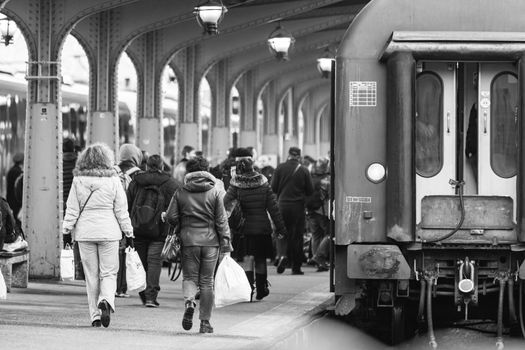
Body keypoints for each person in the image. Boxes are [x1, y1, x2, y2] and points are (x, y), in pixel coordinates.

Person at [62, 143, 134, 328]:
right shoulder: (113, 180)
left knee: (91, 275)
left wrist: (66, 231)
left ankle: (94, 316)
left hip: (85, 233)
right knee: (109, 272)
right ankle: (106, 300)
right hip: (109, 233)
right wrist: (129, 232)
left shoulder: (78, 180)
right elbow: (121, 210)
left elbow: (72, 209)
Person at [166, 156, 232, 334]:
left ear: (189, 172)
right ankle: (205, 322)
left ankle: (189, 302)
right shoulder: (214, 192)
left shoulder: (181, 192)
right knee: (207, 282)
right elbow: (221, 220)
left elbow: (171, 217)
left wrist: (181, 221)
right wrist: (226, 242)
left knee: (189, 277)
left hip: (188, 241)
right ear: (207, 171)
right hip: (211, 243)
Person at [223, 155, 286, 301]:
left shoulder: (236, 184)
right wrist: (281, 228)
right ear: (253, 167)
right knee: (260, 258)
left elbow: (224, 203)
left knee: (247, 258)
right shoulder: (263, 183)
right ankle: (262, 288)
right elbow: (274, 208)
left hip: (244, 228)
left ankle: (249, 289)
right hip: (262, 227)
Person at [127, 154, 180, 308]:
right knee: (155, 261)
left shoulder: (136, 182)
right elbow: (175, 208)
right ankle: (151, 297)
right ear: (162, 166)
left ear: (147, 166)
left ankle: (143, 293)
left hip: (137, 228)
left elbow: (128, 204)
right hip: (160, 229)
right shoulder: (171, 184)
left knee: (141, 261)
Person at [271, 147, 314, 275]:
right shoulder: (304, 170)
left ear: (288, 155)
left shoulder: (279, 168)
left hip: (282, 205)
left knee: (281, 232)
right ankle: (296, 267)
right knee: (297, 236)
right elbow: (310, 190)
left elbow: (273, 187)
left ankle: (282, 255)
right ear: (299, 156)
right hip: (298, 207)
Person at [114, 143, 143, 298]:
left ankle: (112, 285)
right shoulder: (138, 174)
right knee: (127, 251)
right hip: (129, 216)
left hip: (112, 216)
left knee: (113, 252)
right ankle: (122, 287)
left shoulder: (112, 171)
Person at [6, 152, 23, 225]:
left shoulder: (10, 171)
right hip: (17, 202)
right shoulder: (19, 172)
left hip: (10, 201)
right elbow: (19, 189)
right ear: (22, 161)